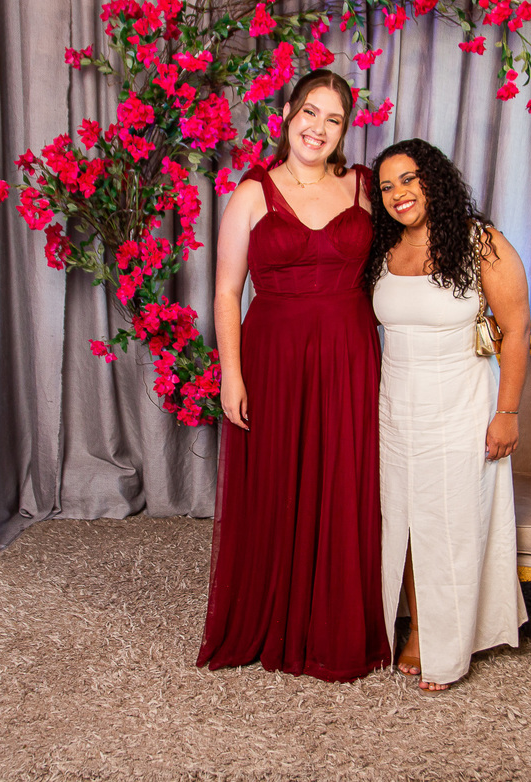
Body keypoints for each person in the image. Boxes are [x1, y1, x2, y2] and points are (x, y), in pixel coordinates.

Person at [197, 70, 390, 681]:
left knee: (344, 480)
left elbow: (413, 254)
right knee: (278, 480)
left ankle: (334, 623)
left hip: (349, 354)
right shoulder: (252, 193)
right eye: (310, 112)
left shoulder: (365, 187)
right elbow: (227, 292)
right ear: (287, 113)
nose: (318, 128)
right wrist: (231, 375)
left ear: (344, 130)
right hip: (274, 358)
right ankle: (276, 616)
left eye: (333, 119)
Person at [364, 138, 530, 691]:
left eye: (409, 179)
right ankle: (415, 624)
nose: (398, 193)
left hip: (462, 404)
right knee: (404, 523)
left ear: (434, 179)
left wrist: (507, 413)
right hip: (395, 407)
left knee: (454, 523)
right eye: (387, 186)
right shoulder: (382, 248)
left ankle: (446, 642)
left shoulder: (481, 242)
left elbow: (516, 331)